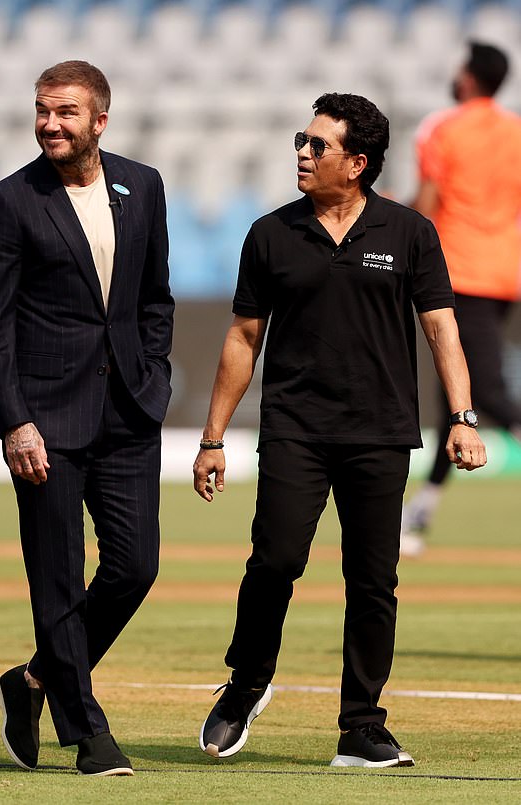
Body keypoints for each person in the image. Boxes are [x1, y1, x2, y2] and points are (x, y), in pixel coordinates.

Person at [193, 92, 486, 768]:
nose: (302, 150)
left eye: (317, 144)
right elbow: (243, 336)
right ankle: (244, 685)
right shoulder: (269, 234)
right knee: (275, 561)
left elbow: (442, 327)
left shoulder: (410, 232)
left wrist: (464, 416)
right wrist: (213, 437)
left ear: (356, 163)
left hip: (382, 432)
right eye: (302, 138)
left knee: (373, 580)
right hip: (295, 427)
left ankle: (361, 726)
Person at [0, 61, 173, 776]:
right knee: (57, 579)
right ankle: (90, 735)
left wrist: (156, 375)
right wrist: (14, 420)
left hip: (129, 414)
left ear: (100, 121)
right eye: (41, 110)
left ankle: (31, 681)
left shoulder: (142, 185)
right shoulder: (8, 201)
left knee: (135, 566)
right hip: (45, 423)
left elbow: (155, 298)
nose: (49, 123)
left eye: (65, 112)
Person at [401, 41, 521, 557]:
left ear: (468, 79)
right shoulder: (516, 132)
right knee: (454, 401)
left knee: (485, 396)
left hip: (457, 274)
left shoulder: (442, 128)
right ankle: (420, 513)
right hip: (504, 275)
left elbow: (425, 205)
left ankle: (418, 515)